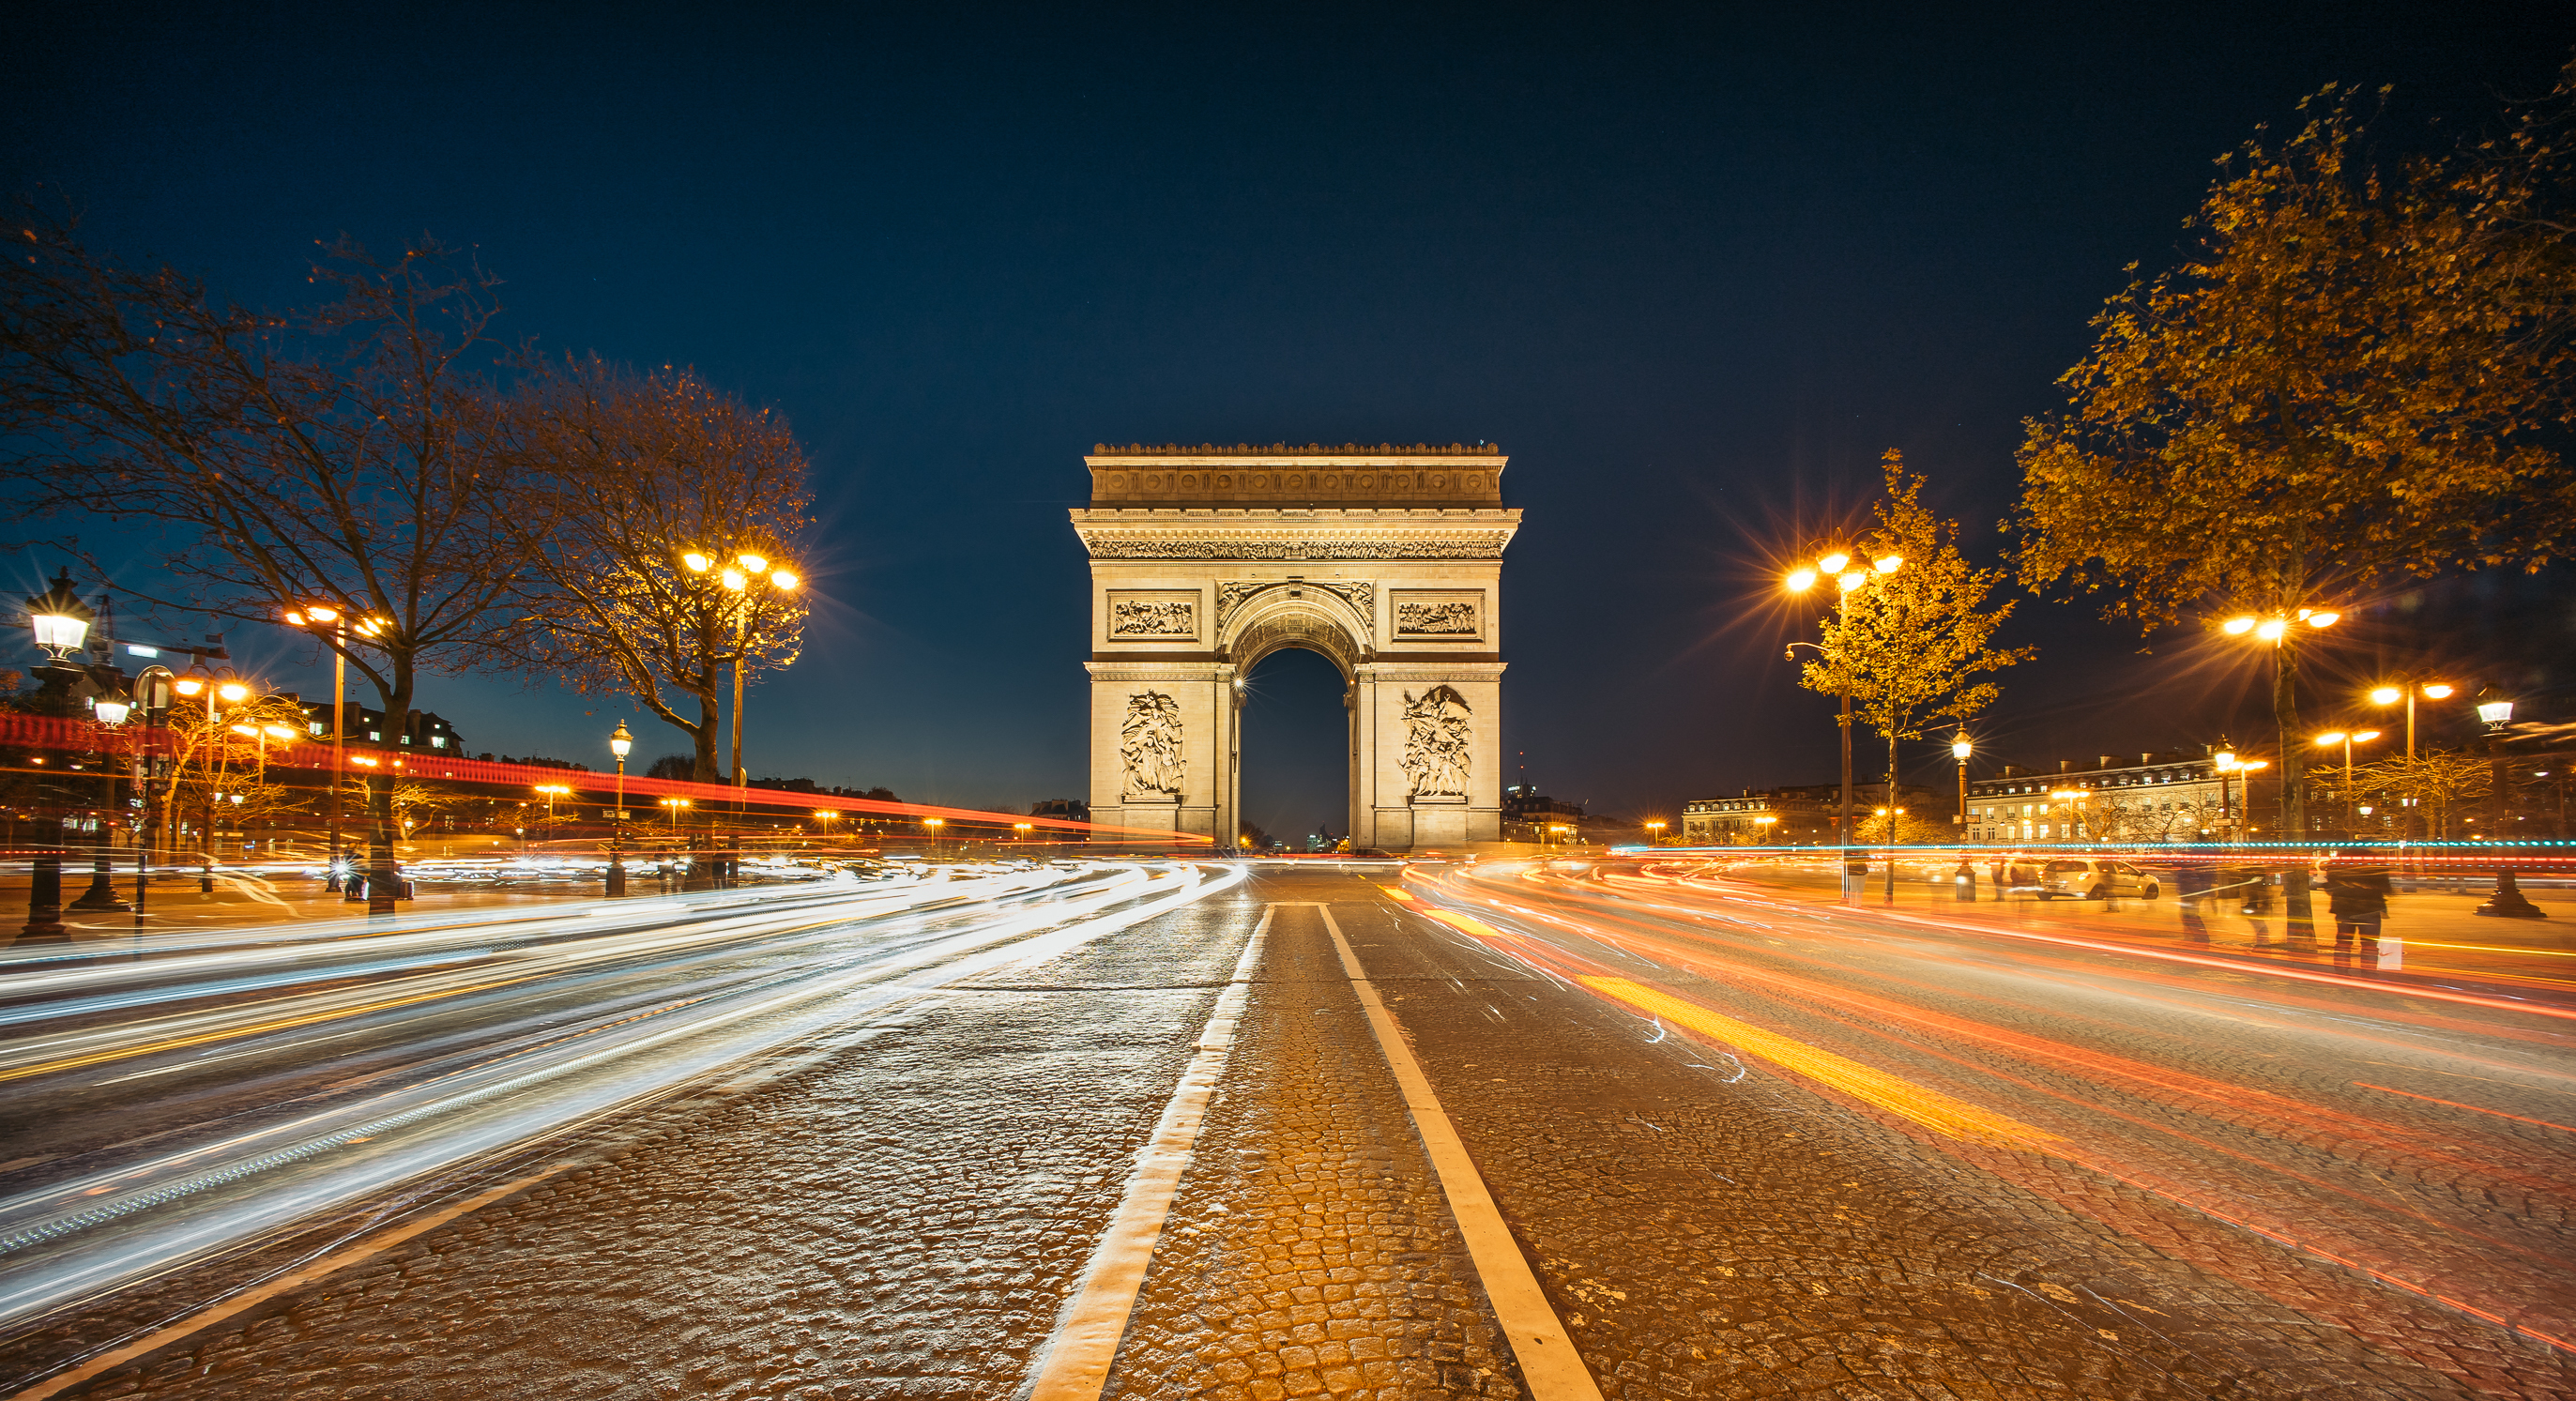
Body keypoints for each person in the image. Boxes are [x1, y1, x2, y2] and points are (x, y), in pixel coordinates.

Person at [2324, 848, 2394, 973]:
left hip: (2344, 908)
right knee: (2369, 944)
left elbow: (2330, 886)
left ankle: (2341, 971)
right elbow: (2386, 887)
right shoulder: (2375, 862)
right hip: (2370, 908)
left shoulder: (2339, 862)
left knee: (2343, 943)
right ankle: (2369, 973)